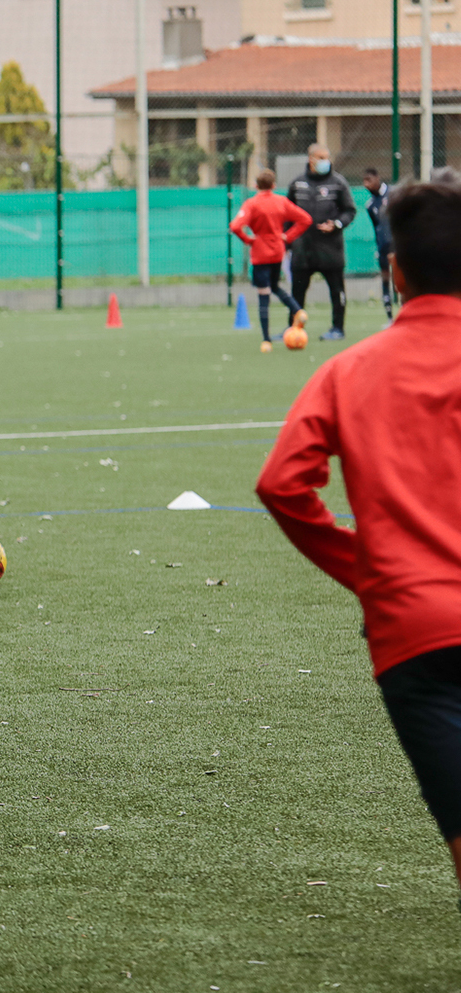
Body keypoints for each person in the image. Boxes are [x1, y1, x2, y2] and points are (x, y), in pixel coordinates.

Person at [257, 172, 461, 902]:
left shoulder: (350, 372)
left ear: (395, 270)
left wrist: (369, 570)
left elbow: (282, 485)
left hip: (415, 631)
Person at [229, 168, 313, 352]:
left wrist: (248, 240)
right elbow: (306, 219)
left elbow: (235, 226)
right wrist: (288, 236)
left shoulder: (252, 204)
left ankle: (266, 340)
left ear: (255, 185)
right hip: (277, 251)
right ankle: (297, 310)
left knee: (264, 294)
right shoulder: (281, 201)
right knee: (275, 286)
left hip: (260, 253)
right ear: (274, 185)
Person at [286, 143, 357, 340]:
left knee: (337, 291)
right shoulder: (297, 184)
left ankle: (338, 328)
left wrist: (336, 224)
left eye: (327, 157)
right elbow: (287, 215)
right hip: (302, 249)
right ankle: (293, 329)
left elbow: (350, 211)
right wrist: (286, 242)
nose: (326, 161)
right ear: (311, 159)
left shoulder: (338, 183)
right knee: (297, 292)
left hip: (330, 248)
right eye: (322, 157)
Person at [364, 166, 395, 322]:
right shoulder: (370, 205)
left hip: (398, 246)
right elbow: (376, 227)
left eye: (369, 180)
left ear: (377, 178)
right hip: (383, 247)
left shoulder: (393, 194)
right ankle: (389, 317)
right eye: (364, 181)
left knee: (403, 280)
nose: (366, 184)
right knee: (385, 279)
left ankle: (406, 315)